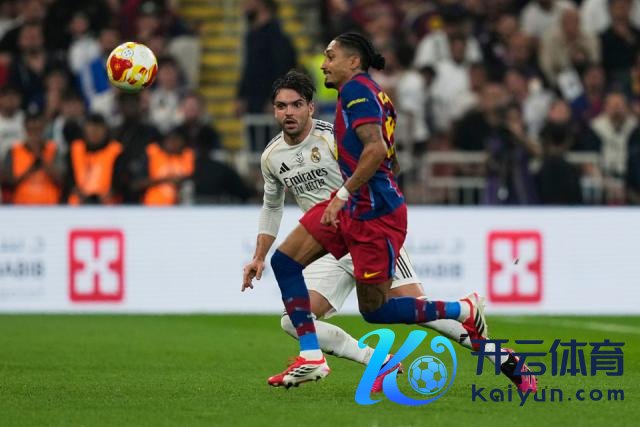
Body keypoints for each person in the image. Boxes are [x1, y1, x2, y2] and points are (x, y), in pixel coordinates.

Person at [242, 70, 537, 392]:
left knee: (423, 312)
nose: (289, 112)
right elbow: (272, 206)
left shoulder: (333, 139)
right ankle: (379, 361)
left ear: (310, 107)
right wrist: (259, 256)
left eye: (296, 105)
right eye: (281, 106)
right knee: (294, 320)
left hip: (369, 230)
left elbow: (379, 165)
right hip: (328, 246)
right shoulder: (271, 157)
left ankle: (503, 358)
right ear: (274, 111)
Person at [1, 111, 63, 204]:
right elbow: (7, 182)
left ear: (43, 128)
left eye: (38, 129)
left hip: (50, 205)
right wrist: (29, 170)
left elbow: (62, 179)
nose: (35, 134)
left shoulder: (54, 149)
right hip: (20, 205)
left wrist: (42, 160)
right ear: (25, 128)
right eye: (32, 130)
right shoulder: (13, 151)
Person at [67, 113, 125, 205]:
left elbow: (121, 180)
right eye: (91, 129)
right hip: (77, 205)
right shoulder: (75, 149)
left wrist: (112, 191)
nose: (94, 133)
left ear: (106, 131)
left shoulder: (116, 150)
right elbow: (67, 178)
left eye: (98, 129)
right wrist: (76, 191)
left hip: (108, 205)